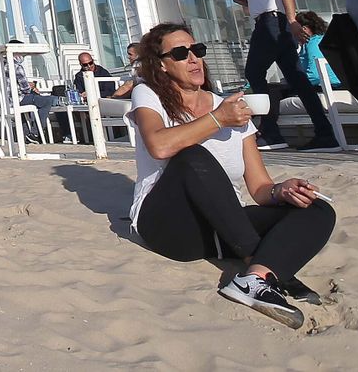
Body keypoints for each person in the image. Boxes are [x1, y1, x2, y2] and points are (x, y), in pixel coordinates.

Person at [126, 21, 337, 330]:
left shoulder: (229, 107)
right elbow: (159, 145)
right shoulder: (149, 94)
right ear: (162, 64)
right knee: (191, 154)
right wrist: (217, 119)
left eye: (197, 50)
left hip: (224, 229)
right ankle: (274, 269)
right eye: (181, 53)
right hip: (169, 227)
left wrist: (282, 191)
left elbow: (260, 187)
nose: (194, 59)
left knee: (317, 209)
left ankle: (257, 276)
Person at [229, 0, 339, 152]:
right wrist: (244, 3)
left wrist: (292, 21)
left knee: (254, 73)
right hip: (271, 21)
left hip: (272, 23)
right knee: (298, 79)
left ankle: (271, 133)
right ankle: (325, 133)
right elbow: (267, 1)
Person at [3, 39, 57, 142]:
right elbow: (25, 89)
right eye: (23, 53)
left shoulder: (1, 65)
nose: (24, 55)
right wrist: (31, 87)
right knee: (47, 100)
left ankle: (26, 134)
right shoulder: (16, 66)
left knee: (35, 100)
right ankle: (35, 133)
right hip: (16, 100)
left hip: (6, 100)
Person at [294, 11, 339, 91]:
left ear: (303, 29)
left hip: (329, 88)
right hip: (340, 86)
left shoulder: (312, 44)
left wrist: (296, 82)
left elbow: (315, 75)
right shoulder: (324, 40)